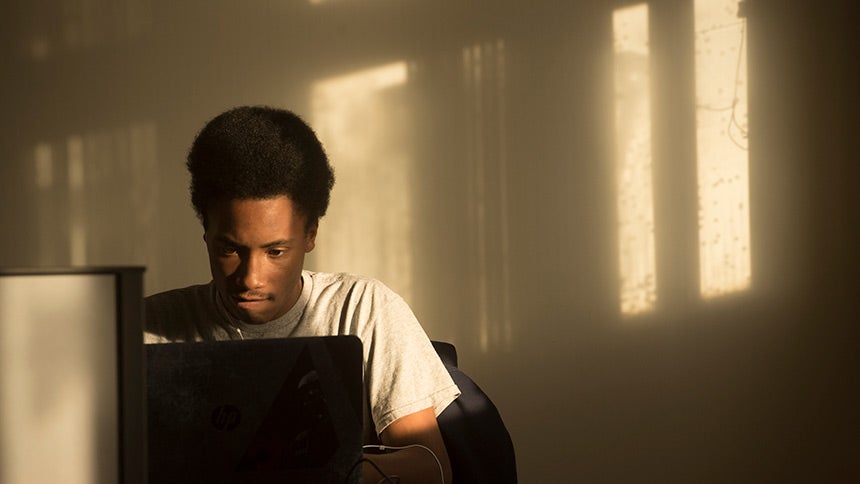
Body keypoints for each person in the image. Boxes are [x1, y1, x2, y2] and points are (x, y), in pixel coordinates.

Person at [145, 105, 460, 483]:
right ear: (206, 235)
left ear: (310, 234)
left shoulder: (364, 310)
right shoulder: (147, 327)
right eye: (229, 250)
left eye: (275, 251)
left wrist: (330, 469)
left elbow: (432, 468)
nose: (251, 278)